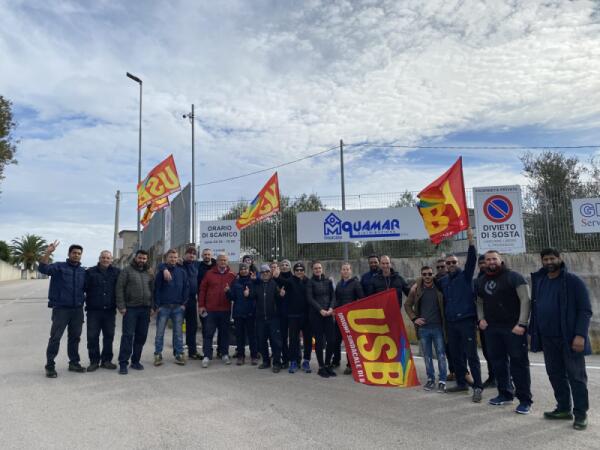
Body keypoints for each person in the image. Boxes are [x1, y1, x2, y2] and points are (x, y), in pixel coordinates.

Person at [530, 248, 592, 430]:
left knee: (576, 377)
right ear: (542, 261)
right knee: (555, 375)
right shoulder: (540, 281)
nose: (549, 262)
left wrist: (580, 335)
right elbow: (536, 309)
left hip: (570, 338)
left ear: (559, 259)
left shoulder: (573, 281)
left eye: (552, 258)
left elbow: (585, 310)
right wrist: (533, 332)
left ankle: (580, 414)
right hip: (548, 339)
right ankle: (564, 409)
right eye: (545, 259)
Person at [477, 250, 532, 415]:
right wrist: (481, 319)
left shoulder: (514, 277)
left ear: (501, 260)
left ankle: (525, 400)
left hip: (513, 328)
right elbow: (479, 301)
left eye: (494, 259)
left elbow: (525, 299)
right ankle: (505, 394)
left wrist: (522, 323)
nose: (491, 262)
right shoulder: (481, 280)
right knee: (498, 363)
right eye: (488, 260)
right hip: (492, 329)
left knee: (519, 364)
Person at [437, 228, 483, 403]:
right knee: (456, 355)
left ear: (458, 263)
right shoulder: (444, 281)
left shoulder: (466, 276)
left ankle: (477, 386)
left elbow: (472, 259)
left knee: (471, 355)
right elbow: (429, 282)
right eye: (448, 263)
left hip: (466, 322)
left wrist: (471, 242)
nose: (450, 265)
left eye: (453, 262)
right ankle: (462, 383)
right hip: (451, 323)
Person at [38, 241, 87, 378]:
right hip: (61, 310)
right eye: (74, 253)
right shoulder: (58, 267)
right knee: (55, 338)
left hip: (77, 310)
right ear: (69, 254)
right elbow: (43, 269)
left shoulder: (83, 271)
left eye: (79, 253)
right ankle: (50, 366)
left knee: (75, 338)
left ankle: (74, 363)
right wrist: (48, 252)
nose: (76, 255)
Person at [405, 266, 448, 393]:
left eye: (429, 274)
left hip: (438, 327)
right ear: (421, 275)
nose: (427, 276)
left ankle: (442, 380)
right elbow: (407, 305)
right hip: (423, 329)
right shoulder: (417, 289)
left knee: (441, 355)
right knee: (427, 356)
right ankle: (430, 379)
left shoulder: (439, 287)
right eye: (424, 274)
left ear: (433, 274)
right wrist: (414, 319)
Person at [116, 249, 154, 375]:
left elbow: (153, 290)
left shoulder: (149, 272)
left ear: (147, 260)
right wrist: (121, 306)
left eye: (144, 258)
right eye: (140, 258)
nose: (142, 260)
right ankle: (123, 363)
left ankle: (135, 361)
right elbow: (119, 288)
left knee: (141, 336)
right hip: (130, 309)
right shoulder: (126, 271)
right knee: (127, 336)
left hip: (145, 309)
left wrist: (153, 307)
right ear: (135, 258)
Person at [84, 250, 120, 372]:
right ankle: (94, 361)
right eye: (103, 257)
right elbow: (83, 288)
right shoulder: (90, 272)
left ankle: (106, 361)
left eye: (108, 258)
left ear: (111, 260)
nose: (105, 260)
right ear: (99, 258)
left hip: (109, 311)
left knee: (109, 336)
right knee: (92, 337)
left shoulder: (117, 272)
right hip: (93, 311)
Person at [199, 253, 236, 368]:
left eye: (225, 260)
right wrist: (201, 305)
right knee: (208, 333)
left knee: (224, 333)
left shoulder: (232, 275)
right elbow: (202, 290)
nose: (223, 262)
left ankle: (224, 354)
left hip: (225, 310)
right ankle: (207, 356)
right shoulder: (209, 273)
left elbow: (235, 292)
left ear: (227, 262)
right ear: (217, 261)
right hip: (211, 309)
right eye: (221, 260)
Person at [274, 262, 312, 373]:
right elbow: (281, 281)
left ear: (304, 271)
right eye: (297, 270)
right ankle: (293, 362)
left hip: (306, 316)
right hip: (293, 317)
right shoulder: (290, 281)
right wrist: (276, 276)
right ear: (294, 271)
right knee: (293, 340)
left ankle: (306, 361)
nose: (299, 272)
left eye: (301, 270)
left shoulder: (308, 281)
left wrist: (329, 282)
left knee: (307, 340)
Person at [153, 249, 189, 366]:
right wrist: (157, 305)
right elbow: (156, 289)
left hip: (178, 308)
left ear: (177, 258)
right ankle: (158, 354)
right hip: (164, 307)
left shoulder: (182, 272)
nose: (173, 259)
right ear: (166, 258)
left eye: (175, 257)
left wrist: (184, 304)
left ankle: (179, 354)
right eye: (171, 257)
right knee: (160, 333)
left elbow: (186, 288)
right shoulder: (161, 272)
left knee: (178, 333)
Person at [250, 264, 285, 373]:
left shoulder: (275, 283)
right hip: (260, 319)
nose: (265, 274)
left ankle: (277, 363)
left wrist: (281, 295)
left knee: (276, 342)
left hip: (273, 318)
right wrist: (248, 291)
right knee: (262, 341)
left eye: (267, 272)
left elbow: (279, 298)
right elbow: (252, 296)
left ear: (270, 273)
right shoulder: (257, 284)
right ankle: (266, 361)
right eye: (263, 272)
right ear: (260, 274)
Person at [332, 262, 364, 374]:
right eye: (343, 269)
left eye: (347, 269)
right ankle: (336, 361)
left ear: (351, 271)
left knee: (349, 342)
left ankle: (350, 365)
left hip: (350, 318)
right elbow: (336, 299)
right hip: (339, 317)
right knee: (336, 340)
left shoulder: (356, 284)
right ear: (341, 271)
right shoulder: (339, 284)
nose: (345, 271)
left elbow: (361, 299)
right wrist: (334, 309)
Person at [306, 261, 336, 378]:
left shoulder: (328, 281)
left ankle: (327, 364)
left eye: (319, 268)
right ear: (312, 270)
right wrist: (320, 310)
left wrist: (331, 308)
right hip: (316, 315)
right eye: (315, 268)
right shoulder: (310, 282)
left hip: (328, 314)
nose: (318, 270)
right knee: (319, 342)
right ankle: (321, 367)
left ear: (322, 269)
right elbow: (310, 298)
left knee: (331, 341)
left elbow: (333, 296)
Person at [226, 263, 258, 365]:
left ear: (249, 270)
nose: (244, 270)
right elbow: (232, 297)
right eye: (242, 269)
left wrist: (249, 294)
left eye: (245, 269)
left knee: (252, 336)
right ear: (239, 271)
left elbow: (257, 295)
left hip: (251, 313)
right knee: (239, 336)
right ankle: (241, 356)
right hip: (238, 313)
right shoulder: (235, 281)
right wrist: (227, 292)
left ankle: (254, 356)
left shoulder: (253, 281)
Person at [474, 254, 496, 388]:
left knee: (500, 352)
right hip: (483, 322)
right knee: (487, 352)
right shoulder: (478, 281)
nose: (483, 265)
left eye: (485, 262)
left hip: (497, 322)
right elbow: (477, 301)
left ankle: (506, 379)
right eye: (481, 263)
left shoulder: (498, 277)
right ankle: (492, 377)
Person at [198, 248, 216, 357]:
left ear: (211, 255)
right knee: (205, 328)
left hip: (216, 303)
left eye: (208, 254)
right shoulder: (198, 266)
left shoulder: (217, 265)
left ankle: (221, 351)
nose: (207, 256)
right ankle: (207, 352)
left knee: (220, 328)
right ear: (202, 256)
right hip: (203, 303)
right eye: (205, 254)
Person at [278, 259, 293, 368]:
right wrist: (280, 295)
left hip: (293, 313)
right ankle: (285, 359)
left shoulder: (294, 278)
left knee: (293, 338)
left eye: (286, 265)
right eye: (282, 265)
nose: (284, 266)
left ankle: (295, 358)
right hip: (281, 313)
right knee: (283, 337)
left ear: (290, 267)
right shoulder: (275, 280)